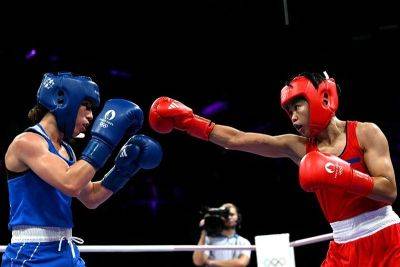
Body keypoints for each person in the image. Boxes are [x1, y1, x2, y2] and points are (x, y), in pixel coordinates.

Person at [149, 71, 400, 266]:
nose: (292, 117)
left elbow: (389, 191)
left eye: (297, 106)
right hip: (343, 244)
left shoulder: (366, 132)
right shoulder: (298, 147)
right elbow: (238, 139)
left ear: (321, 97)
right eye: (288, 111)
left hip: (385, 236)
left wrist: (342, 174)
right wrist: (190, 122)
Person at [2, 72, 163, 267]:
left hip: (65, 250)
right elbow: (70, 183)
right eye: (86, 107)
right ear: (62, 101)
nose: (91, 116)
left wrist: (124, 169)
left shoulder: (66, 150)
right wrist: (105, 139)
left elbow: (91, 197)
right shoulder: (27, 142)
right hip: (32, 253)